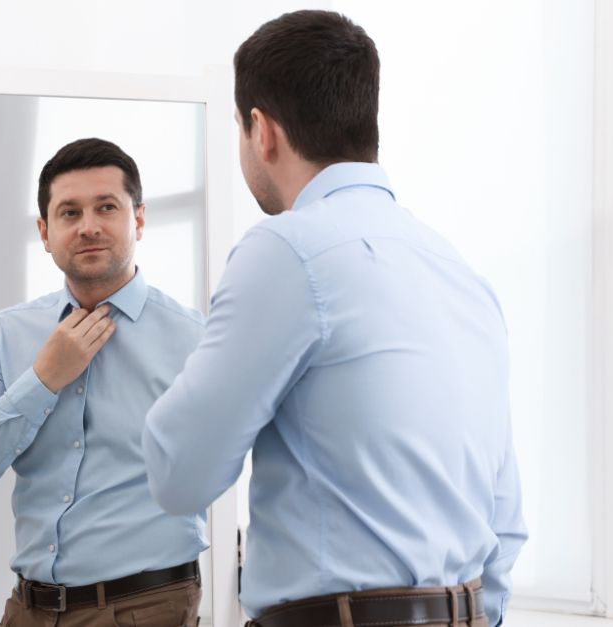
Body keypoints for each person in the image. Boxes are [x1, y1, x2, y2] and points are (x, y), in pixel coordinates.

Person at [142, 11, 526, 627]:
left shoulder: (286, 250)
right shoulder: (458, 271)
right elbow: (504, 519)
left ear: (261, 131)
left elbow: (179, 474)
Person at [0, 138, 206, 627]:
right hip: (26, 608)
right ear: (45, 232)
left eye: (106, 207)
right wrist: (43, 379)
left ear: (139, 219)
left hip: (146, 608)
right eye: (69, 213)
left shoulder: (195, 338)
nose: (88, 226)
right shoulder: (9, 331)